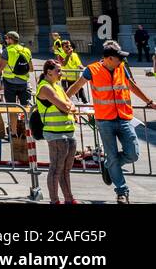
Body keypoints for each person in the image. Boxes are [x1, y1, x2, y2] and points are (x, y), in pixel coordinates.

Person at [65, 40, 156, 203]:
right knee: (113, 155)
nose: (121, 60)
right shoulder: (92, 70)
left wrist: (149, 102)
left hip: (124, 118)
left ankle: (109, 165)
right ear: (108, 58)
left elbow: (132, 86)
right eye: (118, 58)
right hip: (104, 120)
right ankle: (122, 191)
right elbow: (76, 86)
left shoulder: (121, 67)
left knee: (133, 154)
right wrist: (63, 101)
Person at [36, 59, 80, 204]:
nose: (61, 73)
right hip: (55, 133)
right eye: (58, 71)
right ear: (48, 72)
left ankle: (69, 198)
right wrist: (69, 106)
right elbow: (66, 106)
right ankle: (54, 200)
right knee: (56, 168)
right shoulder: (45, 87)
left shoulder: (57, 86)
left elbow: (70, 104)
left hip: (68, 130)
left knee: (65, 169)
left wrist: (69, 106)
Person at [1, 31, 33, 106]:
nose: (6, 40)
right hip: (24, 83)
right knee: (25, 107)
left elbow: (0, 68)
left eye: (7, 38)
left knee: (12, 108)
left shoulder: (7, 51)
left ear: (10, 39)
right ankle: (26, 118)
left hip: (9, 83)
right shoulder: (26, 50)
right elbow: (31, 69)